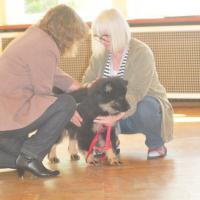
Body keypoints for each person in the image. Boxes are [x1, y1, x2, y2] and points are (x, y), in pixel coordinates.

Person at [0, 5, 88, 178]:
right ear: (67, 32)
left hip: (6, 114)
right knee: (67, 103)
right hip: (10, 115)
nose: (74, 43)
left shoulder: (35, 35)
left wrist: (77, 86)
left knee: (16, 159)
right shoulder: (45, 46)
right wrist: (68, 111)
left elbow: (50, 71)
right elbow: (44, 93)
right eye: (75, 38)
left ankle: (25, 157)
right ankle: (30, 156)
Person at [82, 8, 174, 160]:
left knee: (148, 107)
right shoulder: (99, 55)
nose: (101, 41)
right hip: (113, 111)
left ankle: (156, 143)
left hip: (137, 106)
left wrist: (117, 116)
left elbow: (136, 93)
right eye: (98, 36)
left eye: (106, 36)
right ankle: (108, 142)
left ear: (118, 31)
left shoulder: (141, 52)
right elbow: (86, 84)